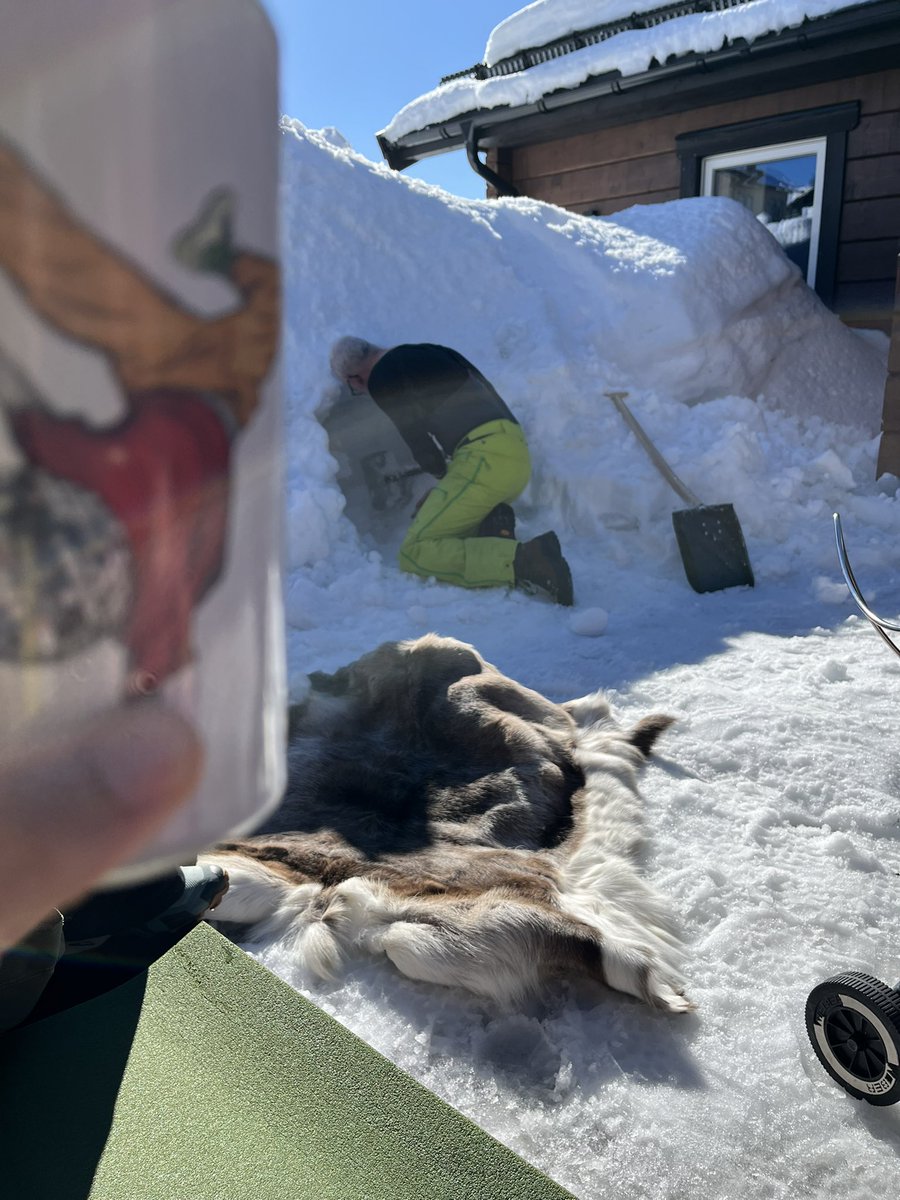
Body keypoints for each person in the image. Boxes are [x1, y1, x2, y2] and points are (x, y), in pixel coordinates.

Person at [330, 337, 574, 606]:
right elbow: (487, 389)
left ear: (355, 379)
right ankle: (493, 524)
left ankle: (527, 559)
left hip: (485, 458)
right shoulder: (433, 351)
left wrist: (440, 475)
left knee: (415, 552)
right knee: (450, 532)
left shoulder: (381, 375)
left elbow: (415, 435)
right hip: (514, 456)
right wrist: (449, 490)